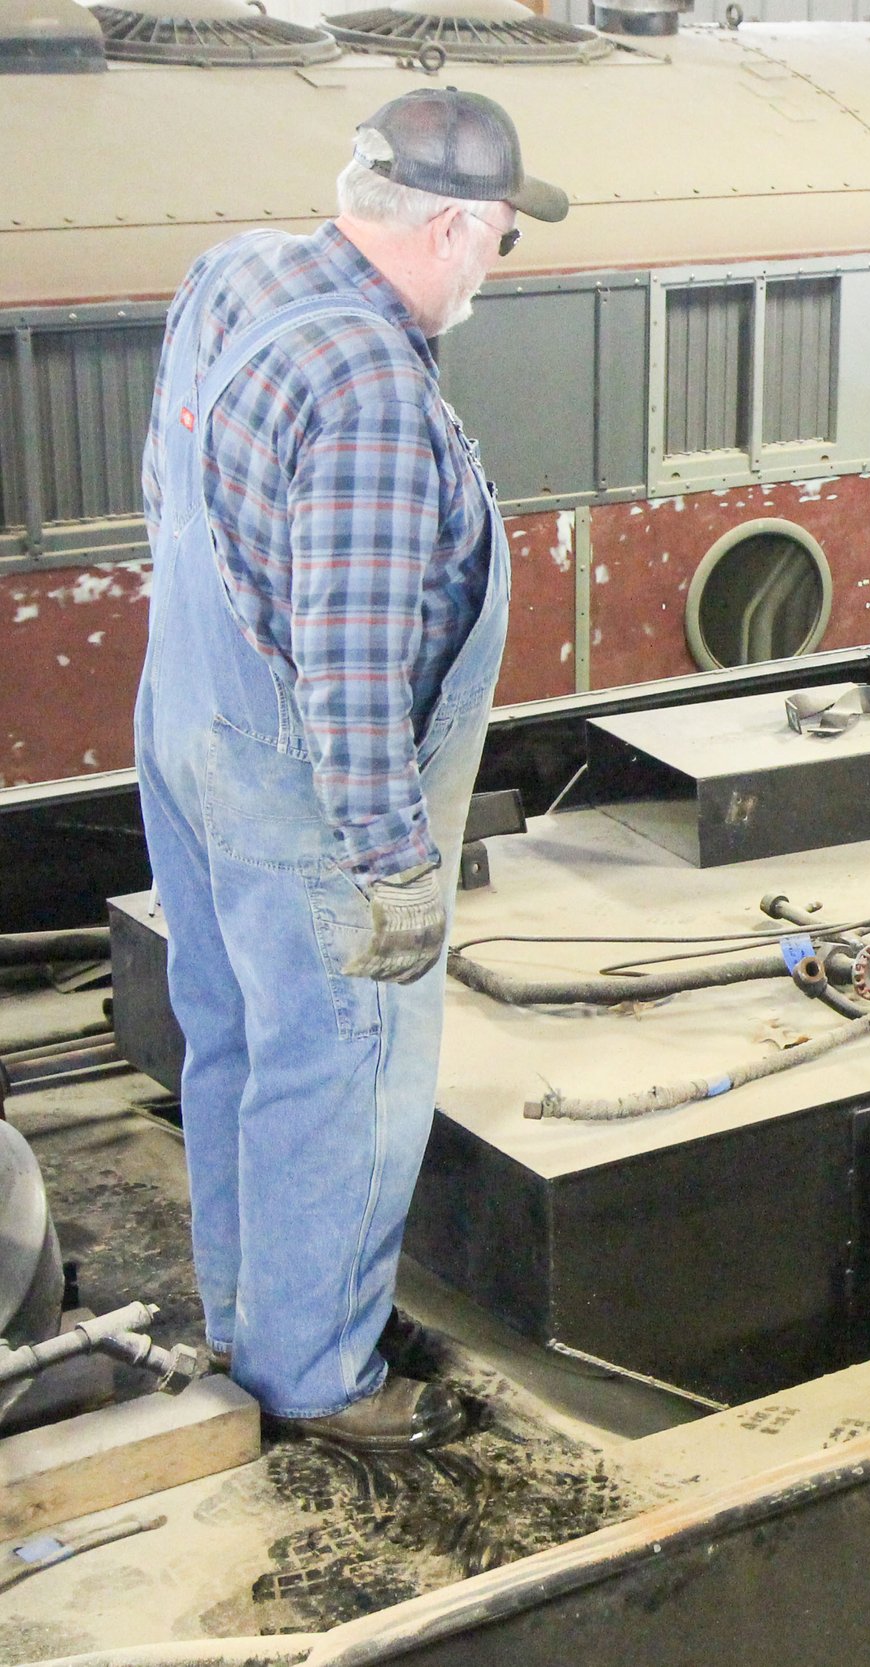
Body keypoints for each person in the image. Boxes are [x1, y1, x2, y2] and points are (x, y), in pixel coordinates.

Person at [133, 90, 566, 1448]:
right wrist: (389, 868)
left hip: (191, 726)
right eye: (496, 238)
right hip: (305, 792)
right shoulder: (374, 391)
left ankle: (246, 1305)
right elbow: (355, 665)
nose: (494, 266)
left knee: (237, 1036)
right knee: (342, 1069)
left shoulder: (241, 271)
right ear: (442, 225)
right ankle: (316, 1373)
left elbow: (171, 491)